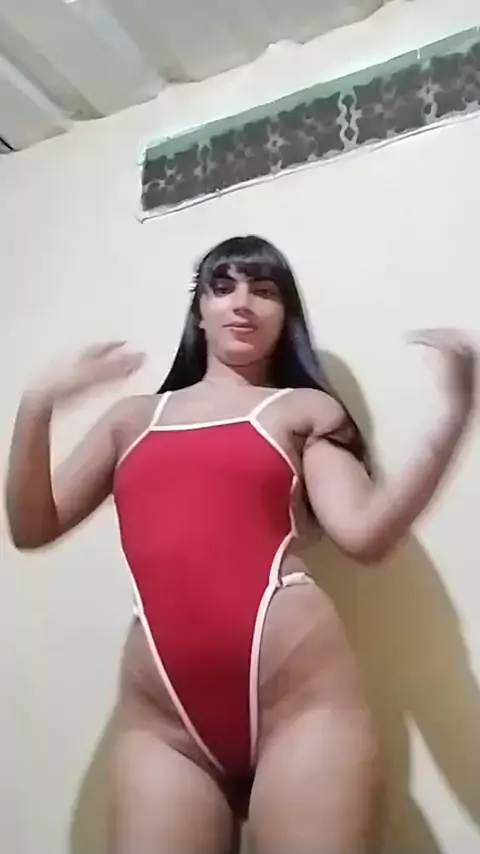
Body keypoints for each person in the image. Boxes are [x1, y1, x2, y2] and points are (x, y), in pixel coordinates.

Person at [6, 235, 476, 854]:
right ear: (199, 310)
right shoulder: (130, 420)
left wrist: (452, 417)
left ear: (285, 314)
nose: (242, 303)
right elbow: (32, 528)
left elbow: (365, 535)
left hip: (302, 706)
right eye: (222, 287)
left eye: (264, 290)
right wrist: (36, 404)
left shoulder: (302, 410)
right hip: (164, 725)